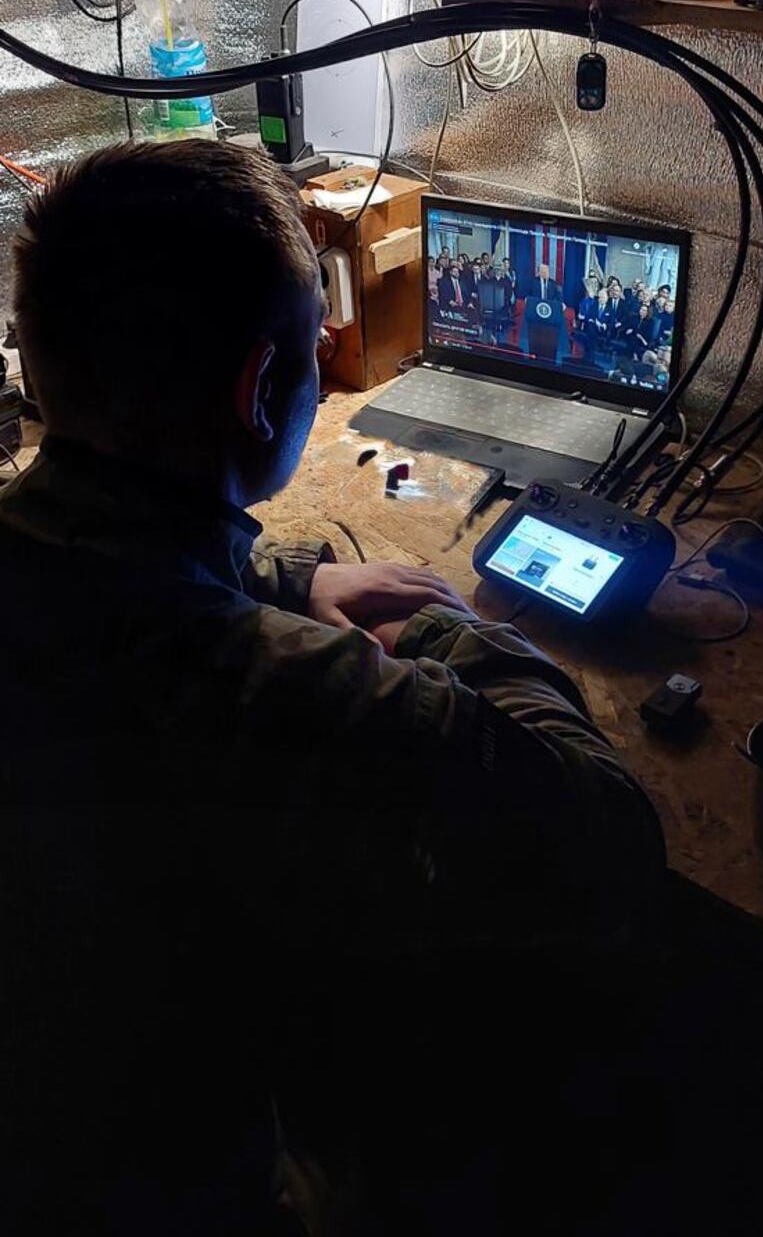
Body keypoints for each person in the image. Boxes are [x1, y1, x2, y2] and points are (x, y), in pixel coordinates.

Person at [1, 142, 664, 1233]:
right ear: (262, 392)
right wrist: (449, 632)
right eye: (313, 349)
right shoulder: (283, 692)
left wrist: (287, 569)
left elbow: (109, 562)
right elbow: (605, 832)